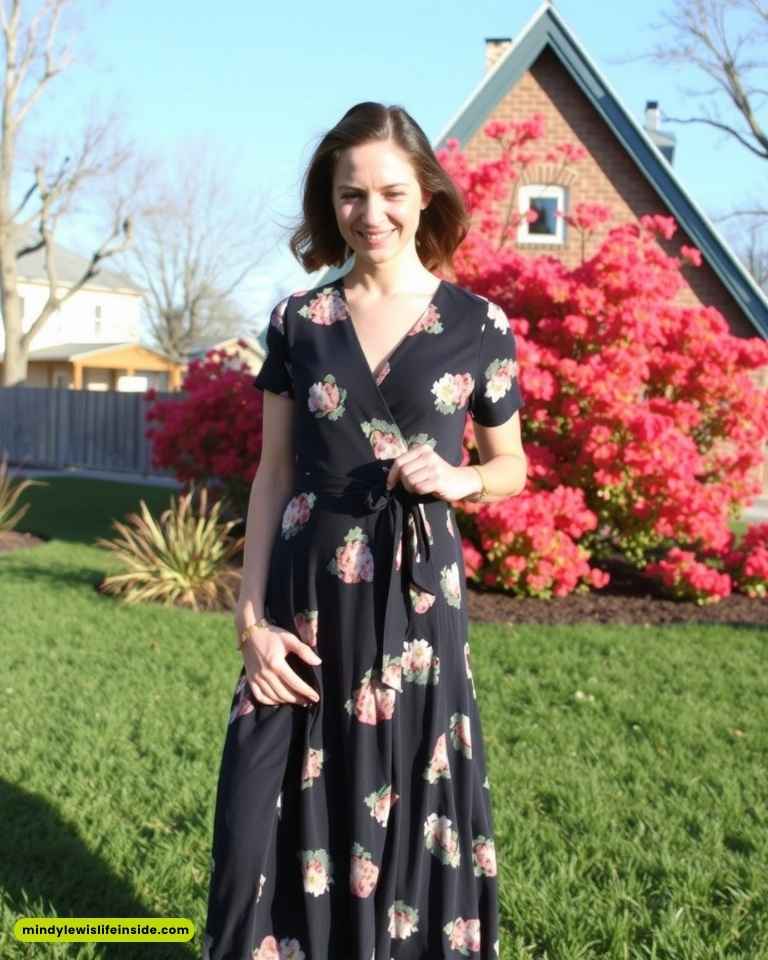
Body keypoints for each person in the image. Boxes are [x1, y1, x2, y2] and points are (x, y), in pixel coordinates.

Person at [202, 101, 527, 960]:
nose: (371, 214)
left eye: (390, 192)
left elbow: (511, 466)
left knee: (402, 809)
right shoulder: (297, 323)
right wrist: (250, 624)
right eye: (351, 195)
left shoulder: (479, 326)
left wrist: (458, 478)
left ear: (425, 193)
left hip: (416, 610)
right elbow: (271, 476)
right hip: (304, 605)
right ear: (330, 200)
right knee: (252, 827)